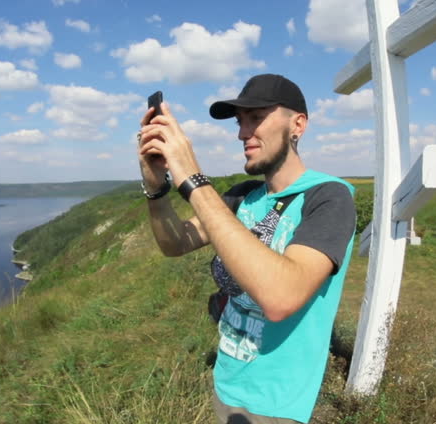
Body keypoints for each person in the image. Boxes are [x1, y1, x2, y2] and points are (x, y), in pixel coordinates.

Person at [137, 74, 356, 424]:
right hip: (226, 384)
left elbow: (281, 298)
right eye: (241, 122)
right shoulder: (244, 195)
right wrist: (155, 186)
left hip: (276, 405)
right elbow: (175, 242)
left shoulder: (328, 197)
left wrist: (192, 177)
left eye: (257, 118)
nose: (242, 133)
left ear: (297, 124)